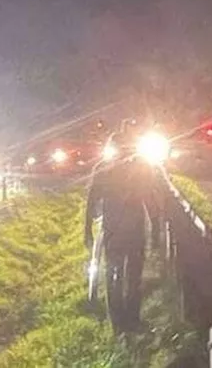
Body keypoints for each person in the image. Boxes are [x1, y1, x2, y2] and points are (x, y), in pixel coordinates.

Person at [84, 132, 165, 333]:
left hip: (115, 231)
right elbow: (150, 200)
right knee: (131, 277)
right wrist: (155, 229)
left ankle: (119, 323)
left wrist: (87, 230)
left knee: (115, 276)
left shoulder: (103, 170)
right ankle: (131, 320)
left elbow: (91, 202)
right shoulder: (140, 168)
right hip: (132, 231)